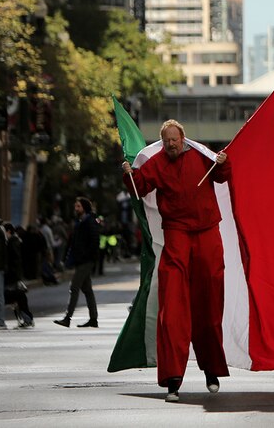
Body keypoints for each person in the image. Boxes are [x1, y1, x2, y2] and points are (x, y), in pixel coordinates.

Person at [121, 119, 231, 402]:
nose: (171, 144)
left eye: (175, 139)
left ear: (183, 138)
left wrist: (222, 162)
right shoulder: (157, 163)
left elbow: (221, 176)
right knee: (172, 308)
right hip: (177, 235)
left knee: (209, 304)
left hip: (207, 234)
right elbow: (140, 187)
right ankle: (173, 377)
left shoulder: (200, 154)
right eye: (166, 140)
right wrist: (129, 175)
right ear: (162, 142)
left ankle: (212, 370)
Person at [53, 197, 100, 329]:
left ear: (84, 207)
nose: (76, 208)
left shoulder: (90, 221)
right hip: (81, 260)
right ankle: (93, 319)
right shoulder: (81, 221)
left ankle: (67, 318)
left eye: (78, 206)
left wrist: (86, 256)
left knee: (74, 287)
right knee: (87, 289)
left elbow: (94, 241)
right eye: (76, 206)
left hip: (86, 260)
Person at [2, 223, 34, 328]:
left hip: (12, 275)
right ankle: (24, 319)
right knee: (18, 298)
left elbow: (15, 260)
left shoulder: (12, 242)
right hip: (14, 275)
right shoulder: (15, 241)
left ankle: (26, 319)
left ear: (9, 231)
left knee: (17, 297)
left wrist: (10, 273)